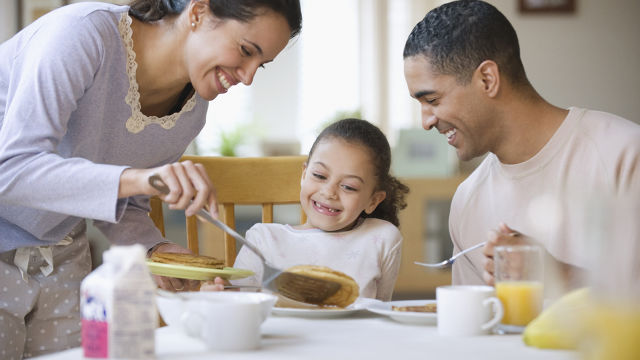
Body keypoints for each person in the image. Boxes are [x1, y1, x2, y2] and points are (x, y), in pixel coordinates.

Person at [0, 0, 301, 357]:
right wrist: (142, 178)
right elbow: (12, 169)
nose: (248, 77)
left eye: (261, 66)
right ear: (198, 11)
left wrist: (157, 249)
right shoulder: (81, 35)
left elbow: (124, 204)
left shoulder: (193, 110)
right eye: (246, 51)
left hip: (61, 252)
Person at [403, 0, 640, 289]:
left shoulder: (625, 156)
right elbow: (472, 331)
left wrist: (559, 275)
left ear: (487, 79)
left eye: (432, 100)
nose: (426, 122)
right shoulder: (467, 201)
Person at [203, 118, 410, 301]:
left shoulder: (381, 237)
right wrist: (215, 299)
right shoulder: (263, 240)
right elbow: (237, 305)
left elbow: (380, 312)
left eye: (349, 186)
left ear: (373, 200)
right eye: (319, 176)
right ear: (304, 175)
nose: (329, 192)